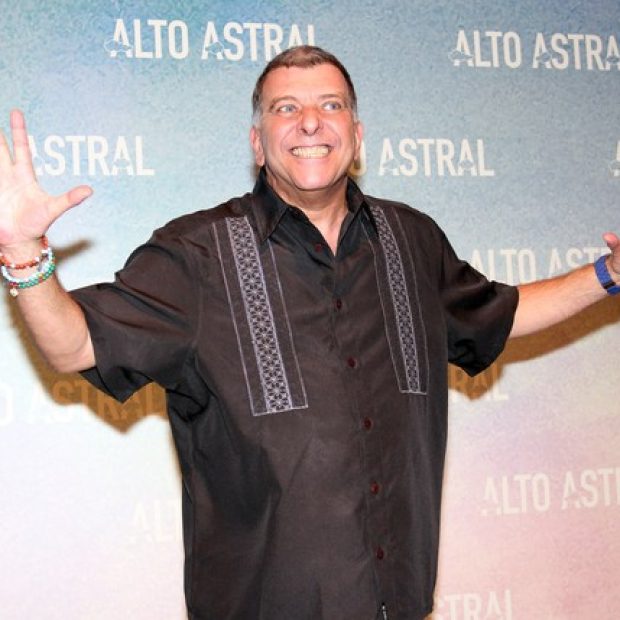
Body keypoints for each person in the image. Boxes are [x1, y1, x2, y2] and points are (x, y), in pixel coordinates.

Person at [0, 46, 618, 620]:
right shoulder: (196, 255)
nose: (311, 123)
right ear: (258, 142)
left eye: (330, 105)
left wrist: (608, 275)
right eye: (285, 108)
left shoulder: (413, 240)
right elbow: (74, 345)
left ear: (357, 133)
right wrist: (26, 256)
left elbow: (499, 314)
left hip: (397, 604)